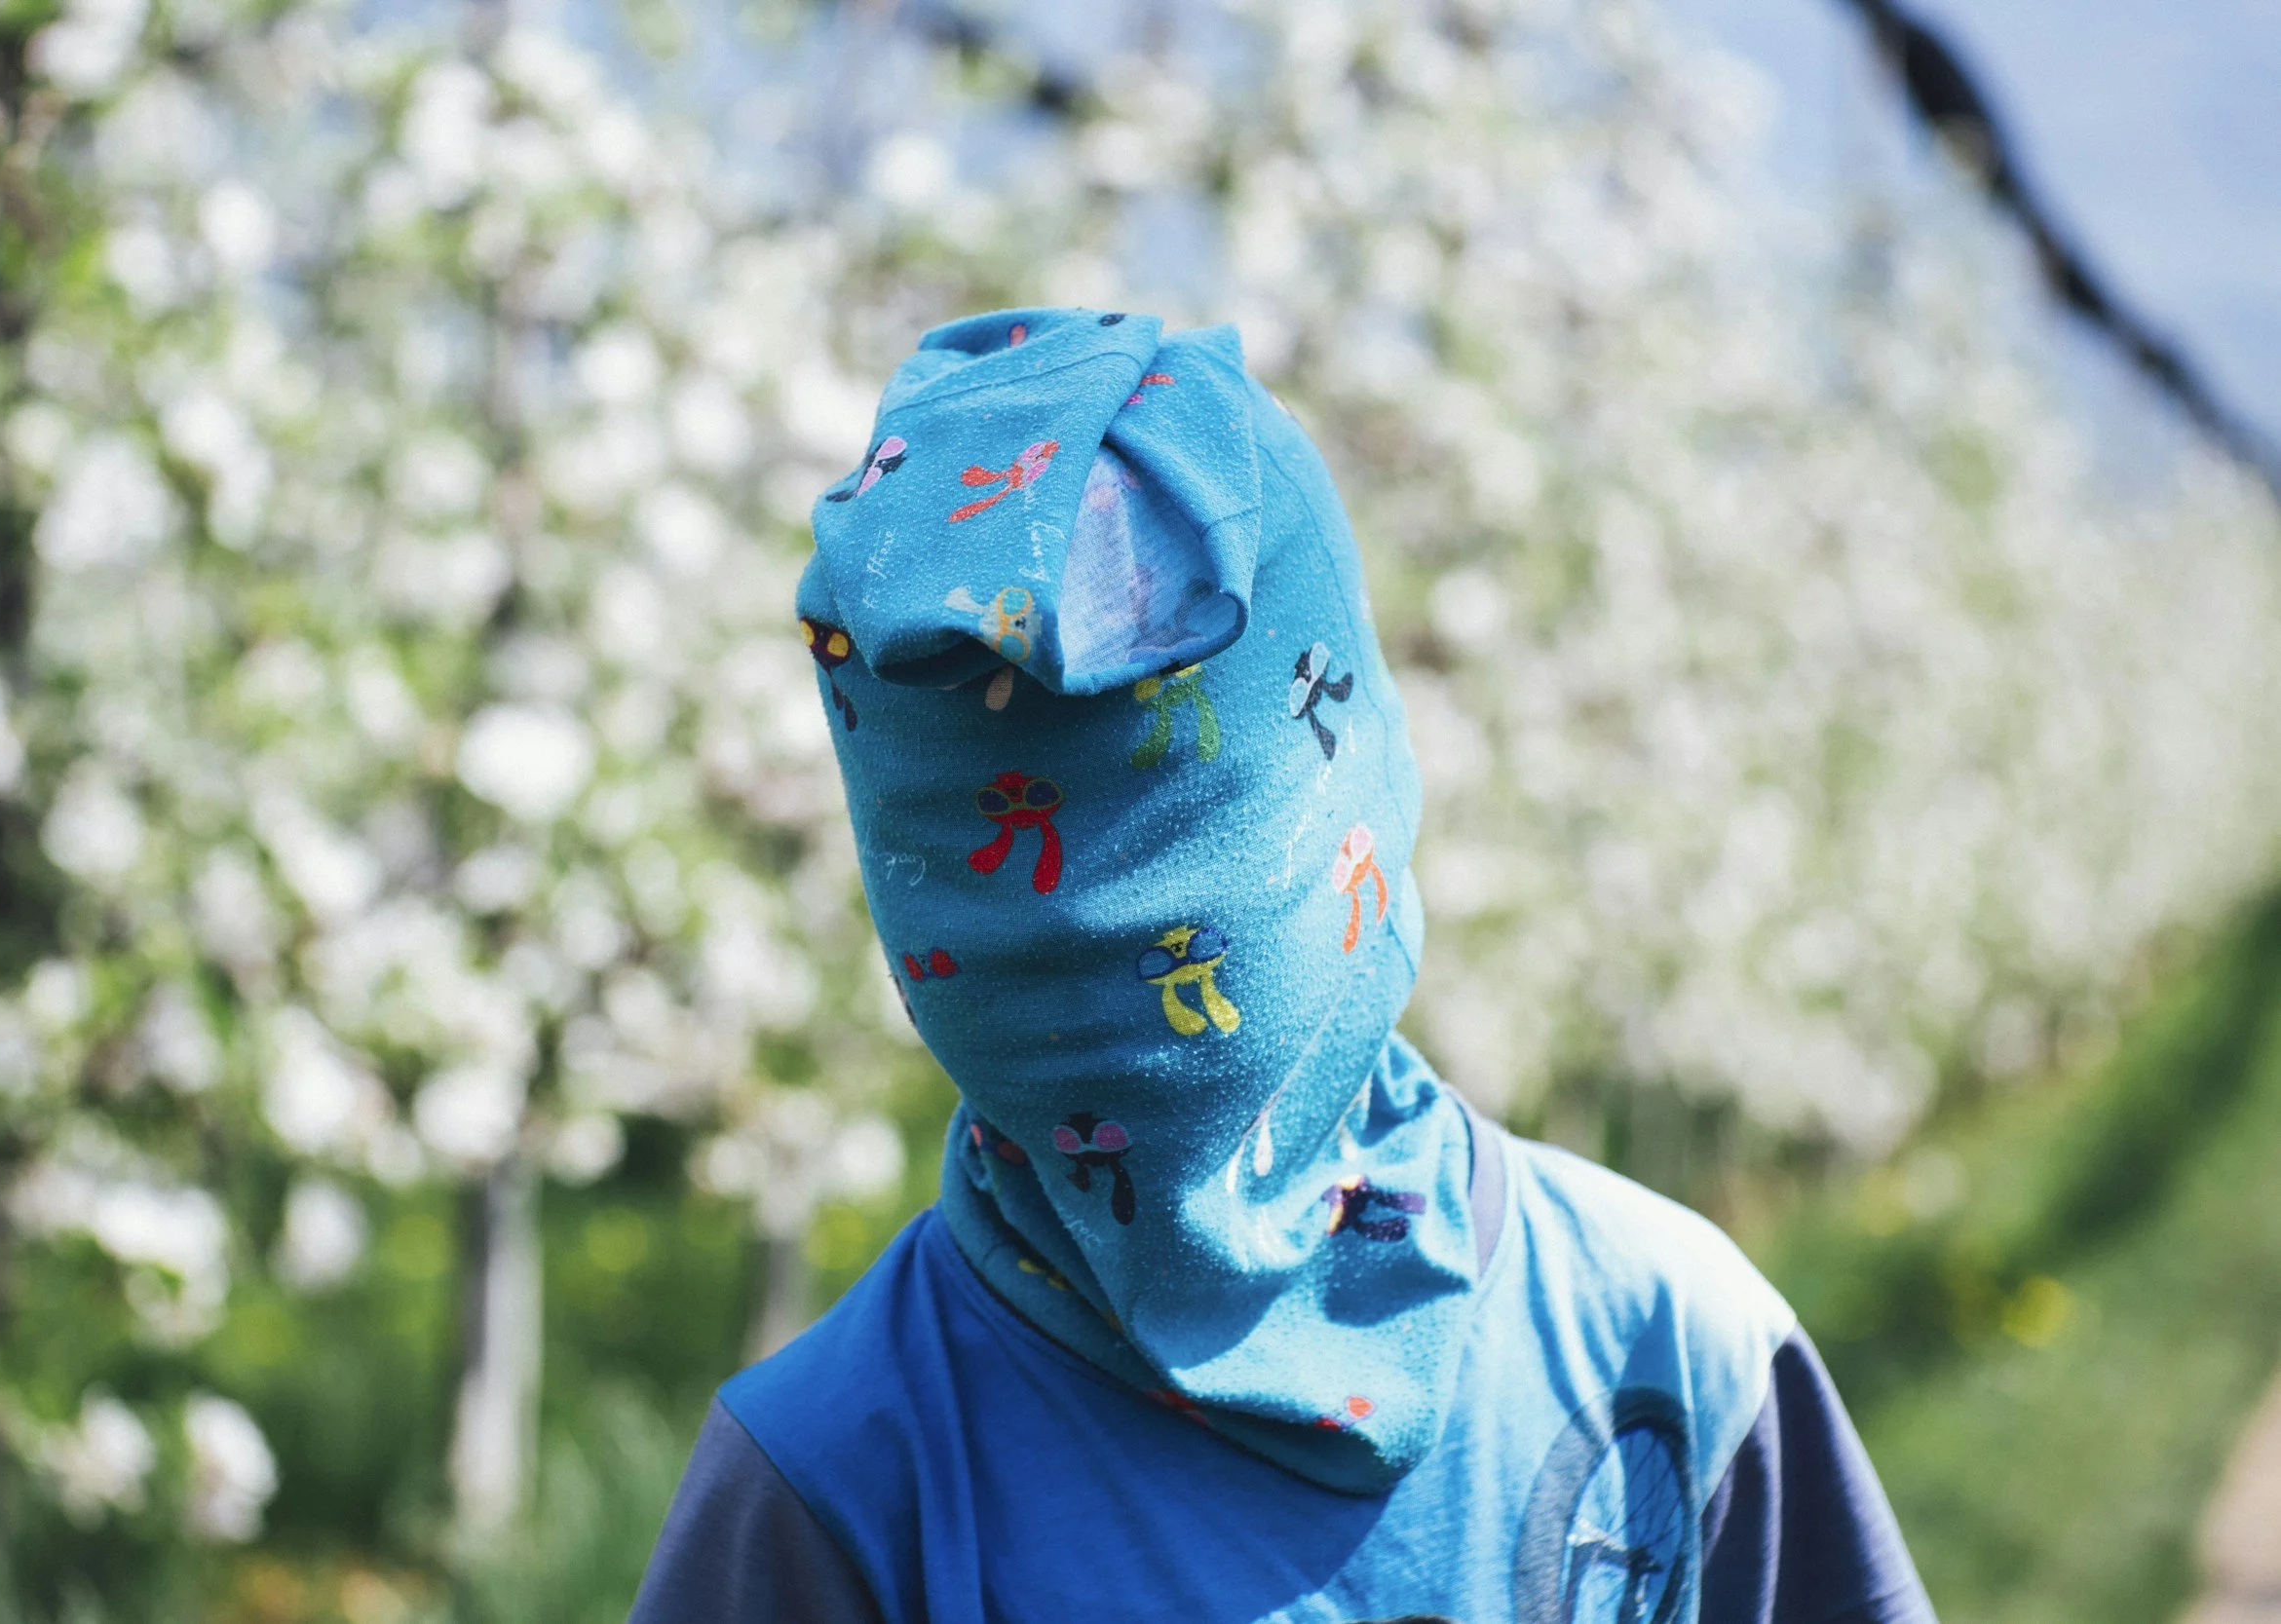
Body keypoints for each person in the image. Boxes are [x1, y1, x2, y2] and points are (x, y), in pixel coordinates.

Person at [627, 309, 1937, 1624]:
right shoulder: (836, 1492)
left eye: (1180, 882)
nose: (1096, 958)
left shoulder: (1667, 1350)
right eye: (1027, 919)